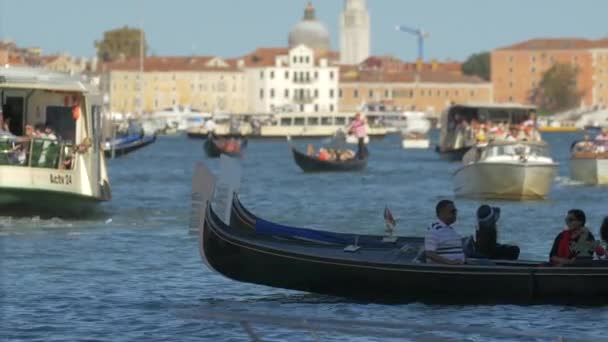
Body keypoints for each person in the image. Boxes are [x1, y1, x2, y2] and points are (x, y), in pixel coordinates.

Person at [424, 200, 465, 265]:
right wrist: (450, 262)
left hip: (460, 266)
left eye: (456, 211)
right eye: (453, 211)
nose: (455, 214)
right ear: (442, 213)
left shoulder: (451, 230)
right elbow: (429, 253)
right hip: (446, 269)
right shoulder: (434, 230)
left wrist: (465, 260)